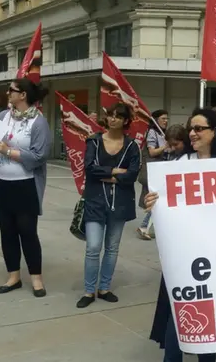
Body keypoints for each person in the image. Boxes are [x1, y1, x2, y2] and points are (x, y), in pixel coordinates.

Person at [144, 108, 216, 362]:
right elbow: (163, 202)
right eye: (191, 128)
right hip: (183, 258)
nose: (193, 133)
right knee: (179, 318)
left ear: (214, 131)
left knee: (209, 325)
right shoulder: (179, 164)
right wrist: (152, 201)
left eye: (199, 128)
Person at [0, 78, 51, 297]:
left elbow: (39, 156)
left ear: (23, 95)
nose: (8, 93)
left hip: (25, 184)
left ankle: (36, 278)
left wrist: (9, 152)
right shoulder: (2, 116)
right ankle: (13, 276)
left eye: (12, 90)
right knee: (7, 232)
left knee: (27, 232)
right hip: (1, 181)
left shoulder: (38, 122)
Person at [78, 102, 141, 308]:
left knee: (112, 248)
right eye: (110, 115)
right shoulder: (94, 141)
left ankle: (104, 287)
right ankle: (89, 291)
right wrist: (116, 171)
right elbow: (89, 168)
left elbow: (132, 174)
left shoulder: (132, 146)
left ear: (125, 121)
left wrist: (109, 176)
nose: (112, 119)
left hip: (120, 203)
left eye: (117, 116)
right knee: (93, 246)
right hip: (95, 200)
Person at [137, 109, 170, 239]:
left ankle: (147, 226)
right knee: (157, 199)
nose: (166, 121)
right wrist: (165, 146)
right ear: (156, 120)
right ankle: (144, 225)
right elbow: (152, 152)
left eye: (167, 118)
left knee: (159, 199)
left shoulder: (162, 133)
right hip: (154, 171)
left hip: (161, 170)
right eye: (163, 118)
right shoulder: (152, 133)